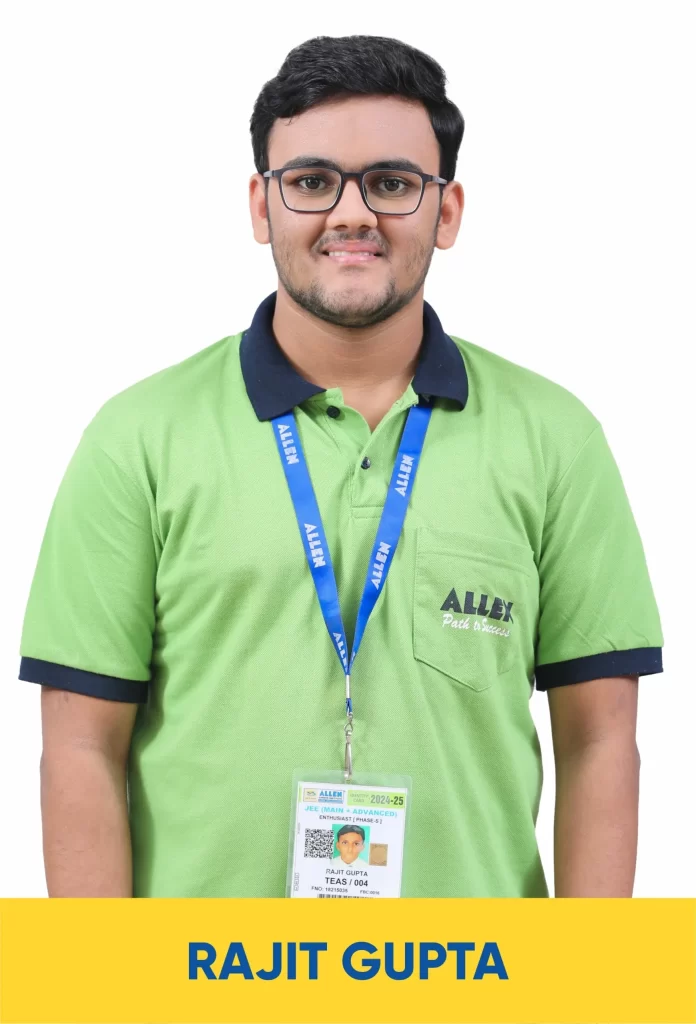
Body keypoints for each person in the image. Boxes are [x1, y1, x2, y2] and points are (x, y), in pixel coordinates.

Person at [18, 34, 663, 899]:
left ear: (447, 211)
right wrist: (100, 975)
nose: (352, 213)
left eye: (391, 184)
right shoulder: (137, 439)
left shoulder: (556, 441)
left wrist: (591, 973)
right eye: (313, 181)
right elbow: (78, 747)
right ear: (262, 205)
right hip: (204, 970)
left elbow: (601, 743)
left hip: (475, 970)